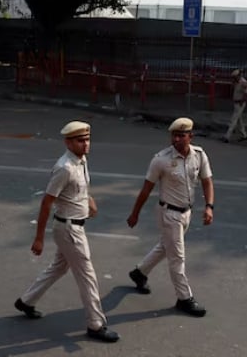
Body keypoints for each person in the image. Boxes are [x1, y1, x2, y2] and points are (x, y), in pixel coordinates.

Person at [14, 121, 120, 343]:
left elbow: (80, 188)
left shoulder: (81, 161)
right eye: (80, 141)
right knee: (87, 277)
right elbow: (46, 202)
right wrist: (39, 238)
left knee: (58, 267)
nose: (86, 144)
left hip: (73, 225)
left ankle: (27, 300)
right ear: (68, 142)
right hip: (69, 229)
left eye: (87, 139)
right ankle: (96, 324)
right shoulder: (64, 168)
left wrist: (89, 201)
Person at [126, 117, 215, 317]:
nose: (176, 139)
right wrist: (135, 214)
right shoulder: (161, 159)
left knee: (166, 246)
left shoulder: (199, 155)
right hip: (169, 214)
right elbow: (146, 190)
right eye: (174, 135)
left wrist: (209, 206)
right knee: (177, 258)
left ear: (190, 136)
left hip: (186, 213)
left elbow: (207, 182)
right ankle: (184, 298)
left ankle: (139, 273)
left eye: (181, 136)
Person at [222, 69, 247, 143]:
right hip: (236, 102)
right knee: (239, 120)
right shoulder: (236, 82)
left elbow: (246, 94)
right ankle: (244, 135)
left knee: (233, 120)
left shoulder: (244, 83)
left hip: (240, 103)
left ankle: (227, 136)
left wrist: (241, 101)